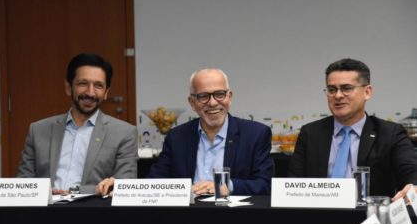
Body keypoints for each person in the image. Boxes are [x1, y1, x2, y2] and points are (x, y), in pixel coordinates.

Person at [97, 68, 273, 196]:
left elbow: (264, 185)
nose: (212, 103)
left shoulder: (256, 134)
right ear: (192, 102)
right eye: (203, 96)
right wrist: (122, 188)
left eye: (219, 94)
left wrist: (226, 186)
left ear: (229, 97)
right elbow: (155, 181)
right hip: (185, 218)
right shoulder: (177, 137)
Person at [288, 58, 417, 200]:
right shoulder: (310, 133)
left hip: (368, 217)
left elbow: (411, 171)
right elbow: (294, 183)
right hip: (319, 216)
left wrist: (413, 186)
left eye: (346, 88)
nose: (337, 95)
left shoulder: (390, 133)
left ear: (367, 92)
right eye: (332, 89)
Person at [17, 53, 138, 195]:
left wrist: (73, 191)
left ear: (106, 92)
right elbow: (23, 183)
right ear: (68, 87)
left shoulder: (124, 133)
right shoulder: (38, 130)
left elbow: (123, 184)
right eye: (83, 84)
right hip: (46, 211)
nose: (90, 93)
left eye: (98, 85)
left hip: (93, 211)